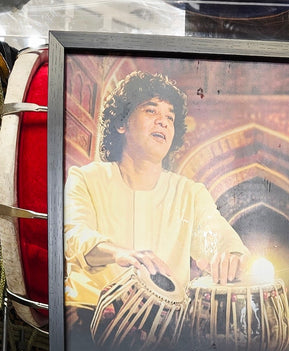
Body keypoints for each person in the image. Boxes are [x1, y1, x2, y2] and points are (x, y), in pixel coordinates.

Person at [64, 70, 252, 321]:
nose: (163, 122)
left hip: (166, 324)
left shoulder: (190, 193)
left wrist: (232, 255)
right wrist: (120, 253)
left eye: (170, 117)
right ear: (121, 123)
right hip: (90, 314)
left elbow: (218, 236)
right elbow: (75, 236)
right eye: (151, 111)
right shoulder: (86, 178)